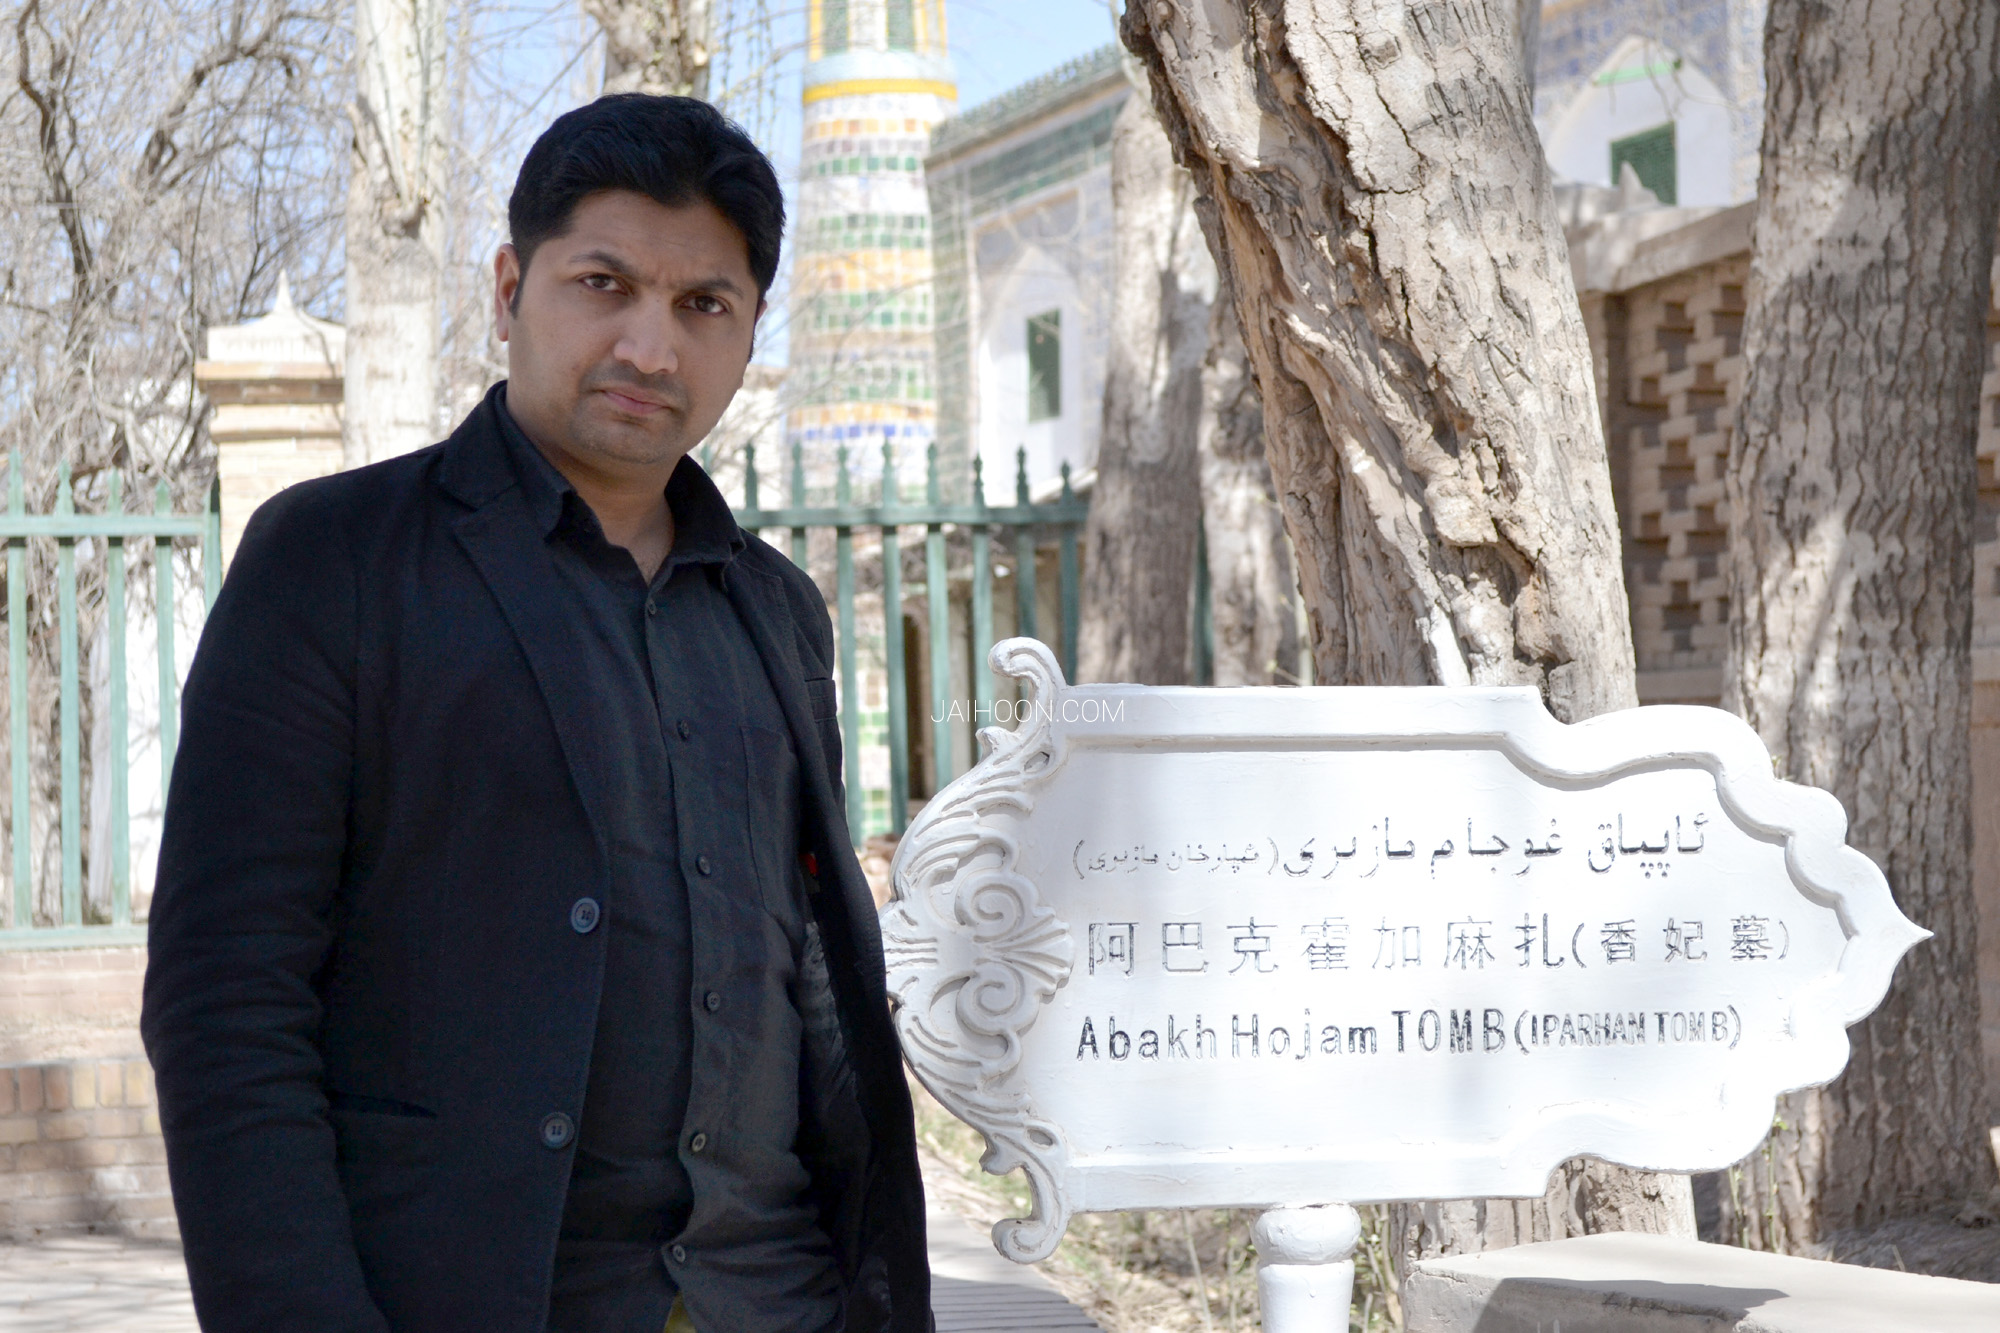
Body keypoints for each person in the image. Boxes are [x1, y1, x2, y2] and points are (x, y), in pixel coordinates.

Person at [141, 94, 931, 1333]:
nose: (650, 347)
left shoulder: (778, 613)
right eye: (603, 284)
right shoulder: (336, 563)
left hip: (777, 1299)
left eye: (700, 305)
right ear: (511, 287)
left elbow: (808, 979)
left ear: (748, 328)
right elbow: (227, 1003)